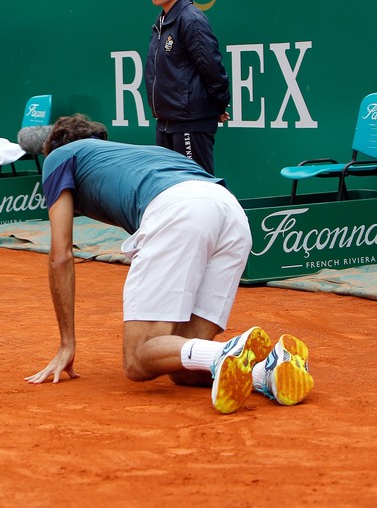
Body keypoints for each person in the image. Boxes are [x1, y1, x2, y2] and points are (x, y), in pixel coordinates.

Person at [25, 114, 314, 414]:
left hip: (179, 211)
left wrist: (67, 344)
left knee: (138, 358)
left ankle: (225, 350)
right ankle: (268, 370)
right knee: (184, 367)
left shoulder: (58, 157)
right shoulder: (141, 154)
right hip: (232, 215)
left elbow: (61, 255)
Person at [145, 0, 230, 175]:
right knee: (171, 191)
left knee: (198, 187)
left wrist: (219, 104)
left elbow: (212, 67)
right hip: (166, 122)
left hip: (189, 122)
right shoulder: (162, 21)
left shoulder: (191, 19)